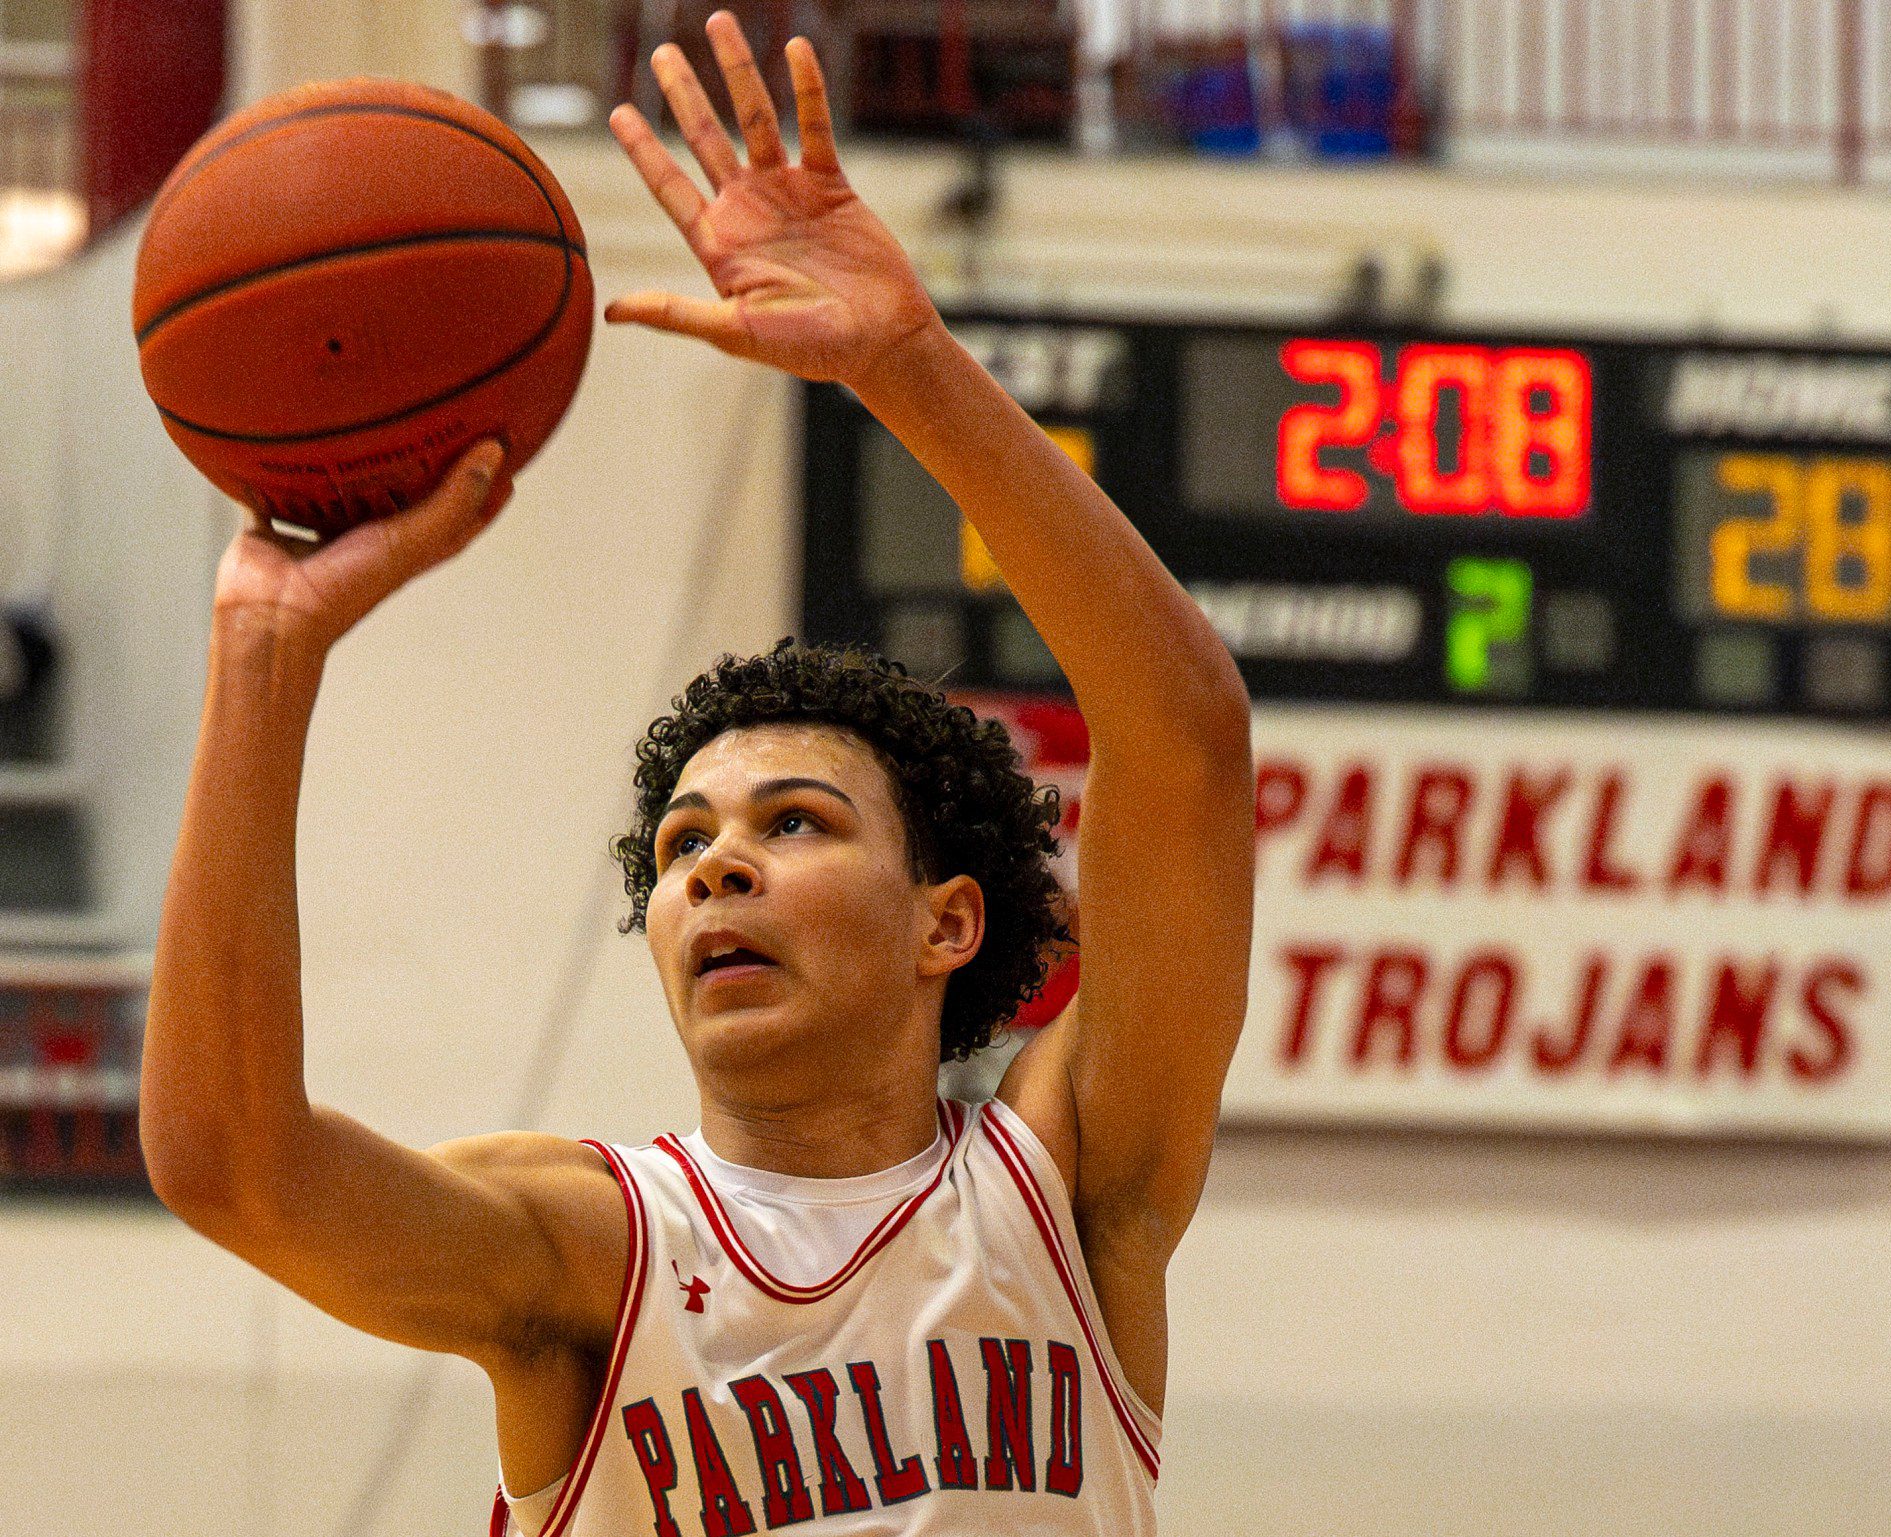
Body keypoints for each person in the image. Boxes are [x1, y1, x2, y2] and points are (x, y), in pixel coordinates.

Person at [139, 11, 1253, 1534]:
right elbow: (230, 1164)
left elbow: (1184, 739)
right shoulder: (595, 1249)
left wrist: (909, 366)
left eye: (793, 822)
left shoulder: (1068, 1189)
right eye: (679, 847)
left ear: (950, 920)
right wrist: (265, 661)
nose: (714, 867)